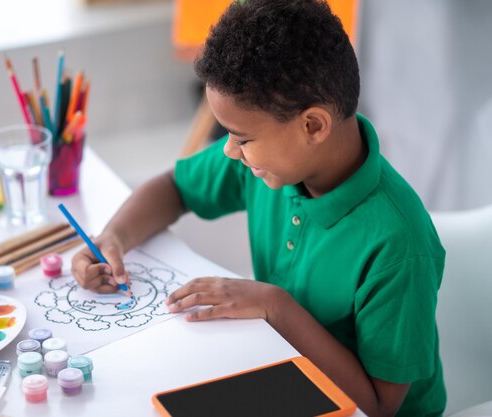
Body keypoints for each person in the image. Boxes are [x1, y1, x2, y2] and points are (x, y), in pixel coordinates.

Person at [70, 0, 446, 415]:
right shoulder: (271, 160)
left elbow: (377, 406)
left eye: (241, 138)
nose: (230, 151)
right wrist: (116, 237)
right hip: (283, 375)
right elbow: (175, 186)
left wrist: (276, 305)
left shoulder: (399, 244)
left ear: (313, 126)